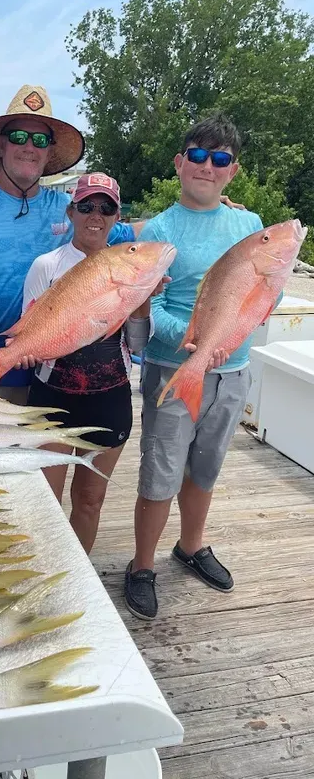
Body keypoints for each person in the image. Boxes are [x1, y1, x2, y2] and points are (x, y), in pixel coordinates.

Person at [124, 112, 264, 621]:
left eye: (220, 159)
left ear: (232, 171)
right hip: (172, 368)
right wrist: (188, 342)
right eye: (199, 156)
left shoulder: (249, 226)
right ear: (180, 163)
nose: (208, 166)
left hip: (234, 370)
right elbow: (149, 305)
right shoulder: (159, 230)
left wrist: (227, 341)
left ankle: (191, 545)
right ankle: (141, 566)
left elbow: (258, 295)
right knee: (160, 473)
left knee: (205, 467)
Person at [0, 85, 137, 403]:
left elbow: (128, 236)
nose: (29, 147)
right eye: (19, 137)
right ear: (1, 144)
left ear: (49, 152)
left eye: (40, 140)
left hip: (50, 377)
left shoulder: (73, 210)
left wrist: (211, 206)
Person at [19, 173, 166, 553]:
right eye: (86, 206)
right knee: (46, 501)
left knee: (90, 500)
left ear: (117, 215)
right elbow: (28, 338)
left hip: (110, 399)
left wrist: (143, 300)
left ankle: (78, 577)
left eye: (106, 207)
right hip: (51, 398)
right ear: (71, 211)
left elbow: (135, 344)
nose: (95, 215)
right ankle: (45, 577)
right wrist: (29, 350)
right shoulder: (46, 266)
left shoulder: (130, 266)